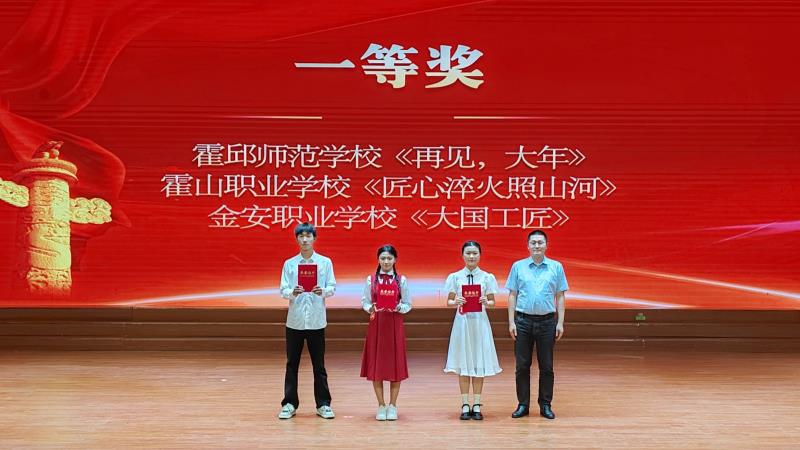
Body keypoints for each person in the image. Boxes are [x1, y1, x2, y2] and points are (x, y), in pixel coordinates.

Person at [506, 230, 568, 420]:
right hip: (523, 321)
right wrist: (511, 321)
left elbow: (560, 296)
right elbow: (512, 295)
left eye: (540, 242)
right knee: (522, 366)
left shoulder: (556, 267)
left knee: (547, 366)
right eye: (533, 242)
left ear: (546, 245)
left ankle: (545, 405)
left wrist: (560, 322)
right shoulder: (518, 266)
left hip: (547, 322)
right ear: (528, 246)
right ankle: (523, 404)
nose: (537, 246)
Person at [277, 222, 336, 420]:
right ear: (297, 239)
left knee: (319, 366)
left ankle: (323, 404)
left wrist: (323, 291)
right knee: (291, 364)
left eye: (308, 236)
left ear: (314, 238)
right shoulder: (290, 264)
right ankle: (289, 404)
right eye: (301, 236)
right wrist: (292, 292)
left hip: (316, 321)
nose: (305, 240)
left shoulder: (325, 262)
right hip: (295, 321)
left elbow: (332, 287)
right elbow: (283, 289)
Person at [443, 240, 502, 420]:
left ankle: (476, 404)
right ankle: (464, 404)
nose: (471, 256)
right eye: (468, 253)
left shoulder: (487, 277)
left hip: (479, 324)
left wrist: (486, 301)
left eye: (475, 253)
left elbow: (492, 303)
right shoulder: (455, 277)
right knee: (464, 364)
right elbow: (449, 302)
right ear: (462, 255)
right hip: (462, 324)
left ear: (479, 255)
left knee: (478, 363)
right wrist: (456, 301)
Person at [360, 245, 411, 421]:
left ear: (395, 260)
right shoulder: (371, 280)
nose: (386, 261)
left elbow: (408, 304)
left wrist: (399, 307)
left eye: (389, 258)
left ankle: (393, 405)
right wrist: (370, 308)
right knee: (377, 365)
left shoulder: (401, 280)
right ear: (378, 260)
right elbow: (365, 301)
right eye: (383, 258)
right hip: (377, 324)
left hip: (394, 324)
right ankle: (381, 405)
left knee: (395, 365)